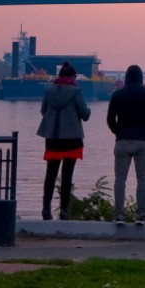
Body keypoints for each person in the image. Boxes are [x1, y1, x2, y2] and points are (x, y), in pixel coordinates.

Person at [106, 64, 145, 222]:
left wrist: (118, 132)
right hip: (143, 141)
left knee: (120, 179)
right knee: (143, 179)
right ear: (141, 78)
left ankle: (119, 214)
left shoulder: (117, 95)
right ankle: (141, 214)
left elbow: (110, 120)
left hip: (123, 141)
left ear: (126, 78)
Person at [36, 62, 90, 220]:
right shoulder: (76, 91)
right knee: (67, 175)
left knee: (50, 174)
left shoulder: (48, 91)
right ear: (73, 77)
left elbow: (43, 111)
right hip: (72, 138)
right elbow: (85, 114)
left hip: (52, 138)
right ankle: (64, 211)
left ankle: (46, 209)